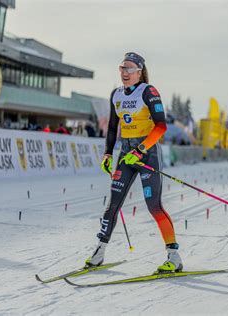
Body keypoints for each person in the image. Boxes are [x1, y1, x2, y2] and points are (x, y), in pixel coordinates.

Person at [85, 52, 182, 273]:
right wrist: (108, 154)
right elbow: (112, 127)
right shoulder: (116, 95)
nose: (124, 73)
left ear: (139, 72)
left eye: (129, 69)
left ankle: (174, 256)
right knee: (112, 205)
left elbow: (161, 127)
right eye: (122, 68)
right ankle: (99, 251)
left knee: (154, 206)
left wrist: (140, 150)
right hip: (126, 154)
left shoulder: (148, 92)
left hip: (147, 154)